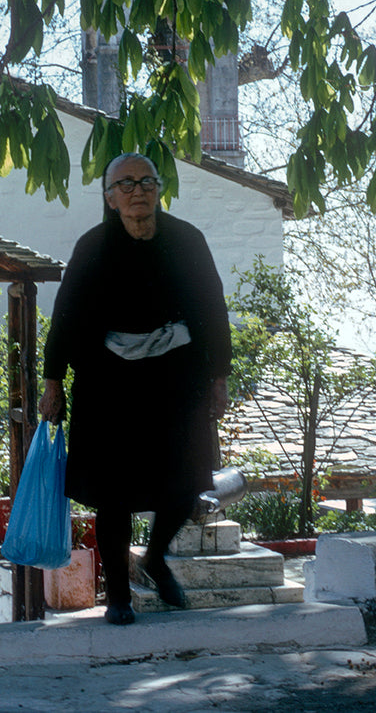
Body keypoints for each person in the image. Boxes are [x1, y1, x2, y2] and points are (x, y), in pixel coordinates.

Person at [39, 152, 231, 626]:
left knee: (186, 483)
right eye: (125, 184)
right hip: (109, 384)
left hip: (177, 378)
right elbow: (65, 314)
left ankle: (155, 558)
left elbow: (213, 306)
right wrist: (53, 380)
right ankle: (119, 596)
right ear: (109, 197)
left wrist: (219, 376)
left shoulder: (187, 241)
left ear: (159, 189)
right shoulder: (92, 247)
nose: (137, 190)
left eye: (147, 181)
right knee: (113, 495)